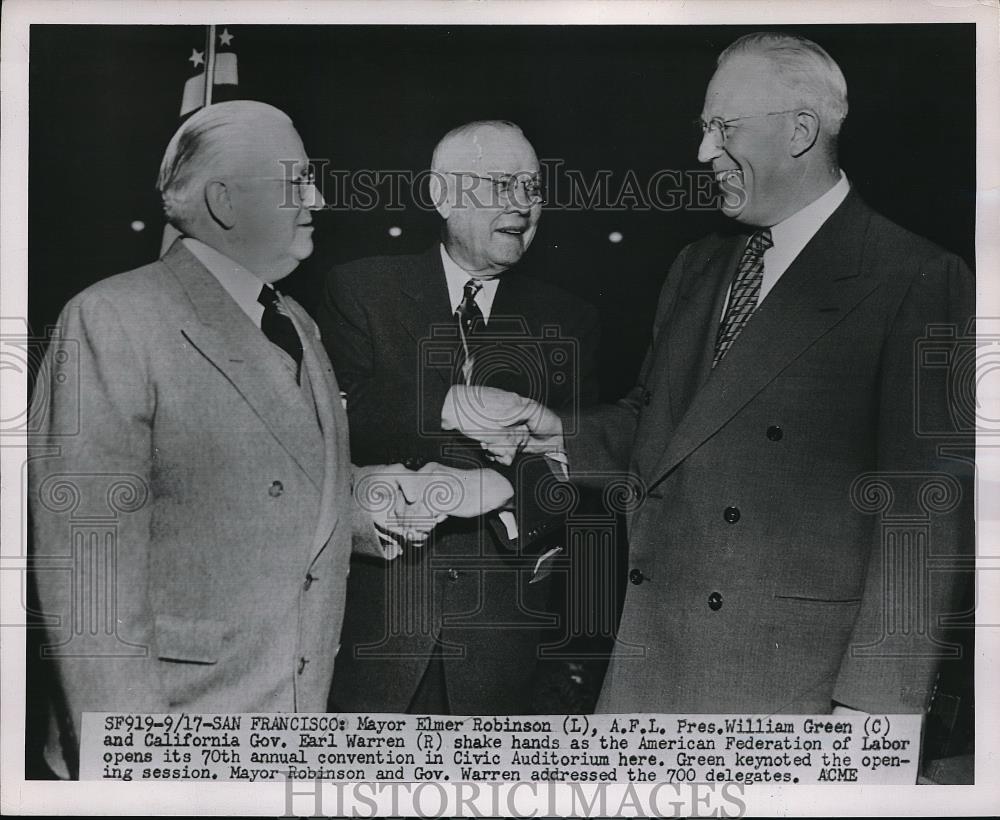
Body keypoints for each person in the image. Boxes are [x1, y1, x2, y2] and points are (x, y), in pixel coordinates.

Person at [443, 34, 974, 715]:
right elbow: (660, 422)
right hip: (648, 658)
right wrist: (551, 433)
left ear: (800, 131)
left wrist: (876, 715)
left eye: (723, 129)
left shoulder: (916, 278)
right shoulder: (698, 266)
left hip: (791, 686)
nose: (702, 152)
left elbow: (924, 517)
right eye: (703, 129)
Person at [28, 101, 509, 779]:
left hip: (292, 727)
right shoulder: (113, 319)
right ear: (225, 201)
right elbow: (88, 584)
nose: (317, 196)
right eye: (296, 180)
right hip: (180, 739)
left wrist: (395, 500)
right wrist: (132, 772)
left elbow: (278, 491)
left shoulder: (294, 323)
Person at [318, 120, 601, 714]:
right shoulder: (360, 290)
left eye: (533, 186)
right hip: (374, 635)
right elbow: (332, 419)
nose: (522, 205)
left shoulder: (570, 320)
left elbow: (586, 460)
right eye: (501, 185)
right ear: (443, 197)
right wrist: (451, 407)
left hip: (503, 654)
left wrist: (499, 490)